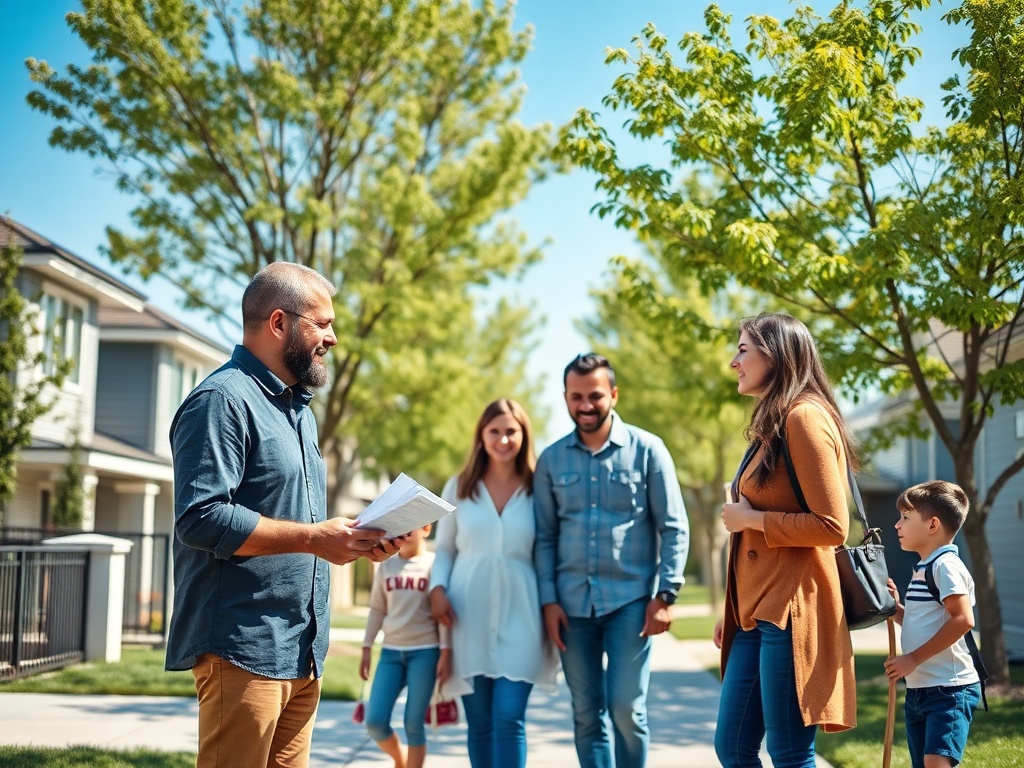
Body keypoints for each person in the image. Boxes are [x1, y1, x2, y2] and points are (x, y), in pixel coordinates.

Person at [166, 262, 401, 768]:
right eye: (323, 323)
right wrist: (316, 539)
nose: (334, 338)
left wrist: (356, 537)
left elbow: (298, 519)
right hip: (242, 646)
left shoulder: (299, 410)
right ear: (279, 323)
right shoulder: (221, 401)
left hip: (301, 650)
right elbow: (201, 517)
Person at [714, 312, 857, 768]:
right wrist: (732, 611)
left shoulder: (805, 418)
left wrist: (752, 518)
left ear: (774, 355)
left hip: (793, 611)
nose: (734, 361)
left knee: (791, 753)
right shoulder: (772, 422)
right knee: (733, 748)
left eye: (743, 350)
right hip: (757, 614)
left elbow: (833, 526)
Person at [533, 354, 689, 768]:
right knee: (586, 714)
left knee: (626, 710)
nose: (586, 405)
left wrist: (666, 595)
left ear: (614, 395)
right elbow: (545, 536)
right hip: (571, 607)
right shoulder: (550, 460)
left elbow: (673, 526)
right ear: (565, 398)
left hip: (631, 604)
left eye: (596, 396)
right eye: (576, 396)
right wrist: (548, 601)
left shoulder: (649, 450)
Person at [429, 398, 559, 768]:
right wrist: (437, 589)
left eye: (511, 431)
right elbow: (445, 551)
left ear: (524, 435)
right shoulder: (458, 487)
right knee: (481, 723)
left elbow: (547, 550)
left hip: (523, 614)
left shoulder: (540, 489)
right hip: (466, 614)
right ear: (481, 436)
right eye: (495, 431)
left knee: (508, 716)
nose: (503, 439)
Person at [884, 480, 981, 768]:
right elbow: (918, 621)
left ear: (932, 525)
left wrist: (912, 659)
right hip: (920, 689)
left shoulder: (945, 566)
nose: (897, 525)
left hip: (948, 690)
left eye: (905, 517)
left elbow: (963, 619)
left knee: (936, 764)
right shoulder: (925, 568)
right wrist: (895, 608)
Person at [361, 523, 448, 768]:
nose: (406, 531)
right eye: (401, 526)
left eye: (414, 525)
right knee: (375, 721)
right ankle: (400, 761)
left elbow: (442, 613)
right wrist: (367, 648)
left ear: (427, 529)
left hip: (425, 653)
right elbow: (377, 609)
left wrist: (444, 652)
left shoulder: (434, 566)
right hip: (390, 653)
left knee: (413, 723)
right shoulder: (386, 566)